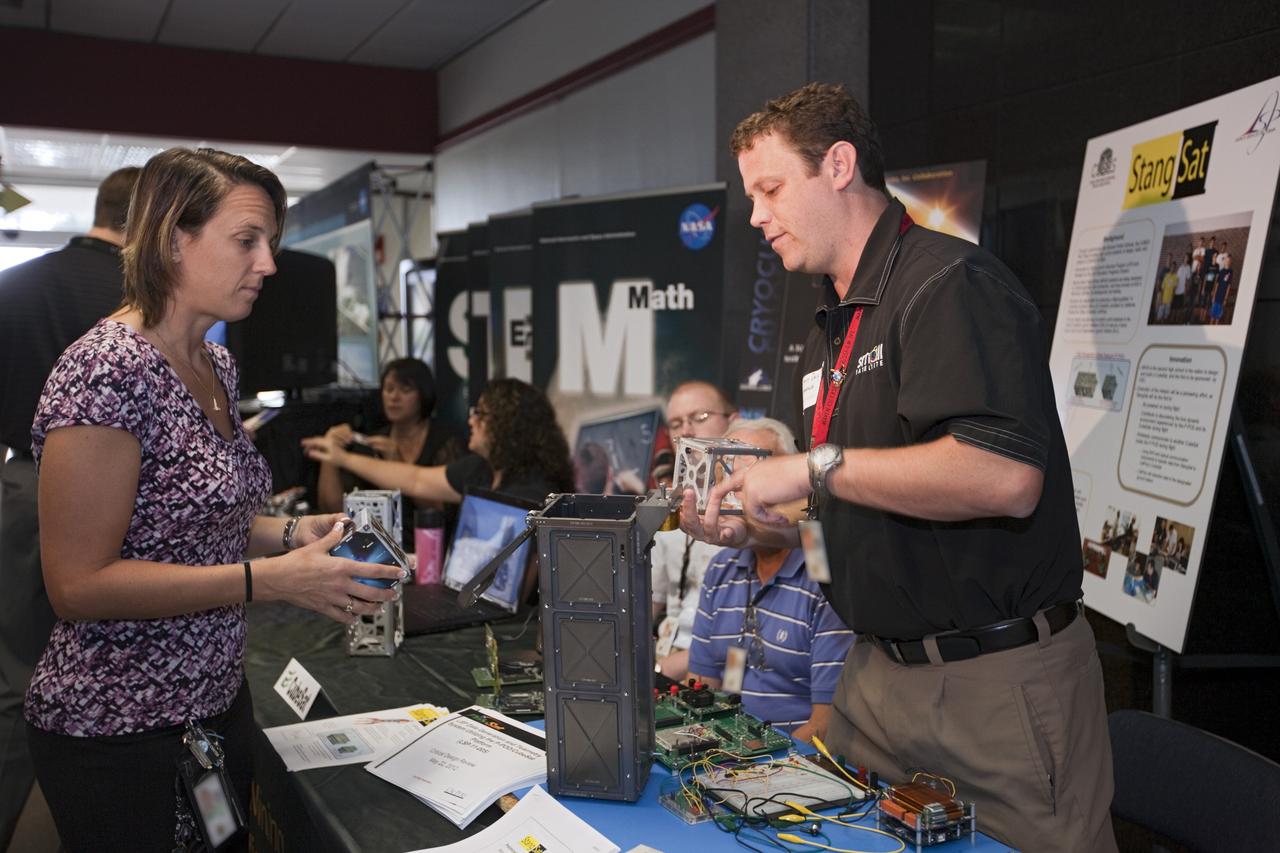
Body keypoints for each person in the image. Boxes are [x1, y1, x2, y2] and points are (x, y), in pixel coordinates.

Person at [685, 83, 1116, 852]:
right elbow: (853, 501)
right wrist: (754, 526)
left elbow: (1006, 477)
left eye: (772, 188)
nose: (756, 214)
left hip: (994, 682)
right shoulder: (829, 326)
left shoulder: (950, 285)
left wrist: (813, 467)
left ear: (840, 165)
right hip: (875, 680)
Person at [24, 148, 403, 853]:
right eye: (247, 240)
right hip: (123, 734)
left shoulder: (215, 362)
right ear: (175, 238)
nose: (268, 264)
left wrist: (292, 533)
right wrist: (269, 580)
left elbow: (197, 520)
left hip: (213, 712)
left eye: (271, 243)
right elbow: (77, 583)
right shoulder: (106, 370)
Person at [0, 166, 140, 849]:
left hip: (23, 487)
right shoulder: (144, 297)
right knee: (118, 660)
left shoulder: (15, 283)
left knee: (18, 663)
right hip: (127, 496)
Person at [687, 418, 853, 743]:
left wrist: (751, 765)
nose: (744, 498)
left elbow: (827, 724)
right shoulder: (723, 568)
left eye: (754, 480)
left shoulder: (823, 569)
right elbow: (703, 685)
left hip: (790, 765)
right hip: (723, 750)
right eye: (730, 483)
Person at [303, 377, 574, 506]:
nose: (471, 420)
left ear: (507, 425)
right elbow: (416, 479)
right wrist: (342, 458)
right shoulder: (480, 468)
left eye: (480, 414)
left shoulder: (533, 492)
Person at [314, 357, 465, 543]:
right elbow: (334, 508)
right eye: (389, 389)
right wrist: (330, 453)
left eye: (405, 390)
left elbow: (442, 509)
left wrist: (396, 463)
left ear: (423, 394)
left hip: (431, 547)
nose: (394, 397)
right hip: (380, 548)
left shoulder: (446, 440)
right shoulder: (372, 441)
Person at [652, 381, 738, 680]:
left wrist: (658, 671)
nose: (686, 431)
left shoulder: (751, 508)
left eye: (699, 417)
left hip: (720, 664)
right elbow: (652, 602)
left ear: (733, 421)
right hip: (666, 650)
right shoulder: (667, 503)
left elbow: (740, 634)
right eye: (676, 423)